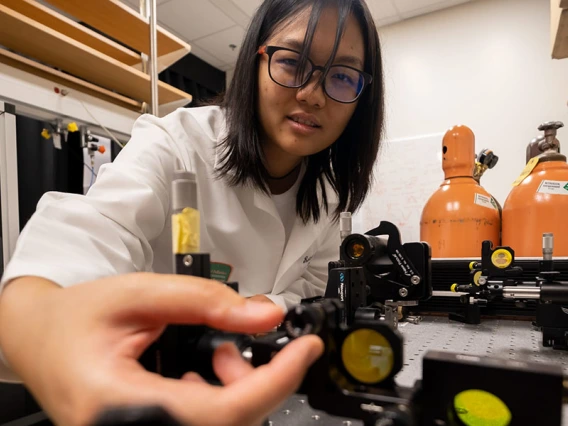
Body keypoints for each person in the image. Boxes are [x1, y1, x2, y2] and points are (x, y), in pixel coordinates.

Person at [0, 0, 384, 424]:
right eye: (293, 62)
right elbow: (96, 229)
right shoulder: (176, 143)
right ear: (255, 60)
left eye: (343, 76)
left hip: (262, 389)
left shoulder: (328, 193)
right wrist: (41, 317)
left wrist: (265, 306)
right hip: (152, 382)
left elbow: (313, 286)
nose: (313, 95)